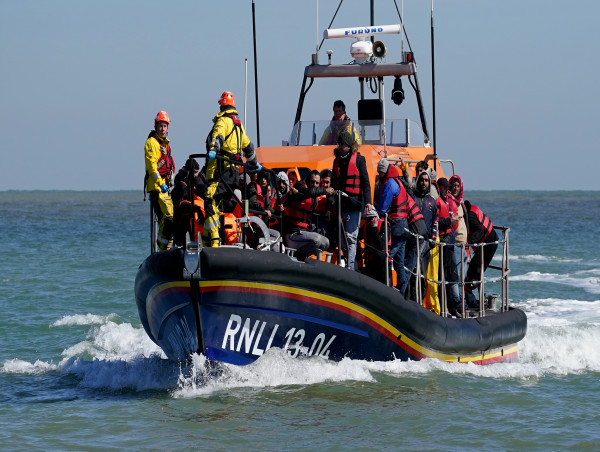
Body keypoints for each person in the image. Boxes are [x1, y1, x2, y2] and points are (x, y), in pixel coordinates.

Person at [204, 91, 260, 247]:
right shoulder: (238, 125)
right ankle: (210, 239)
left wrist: (213, 150)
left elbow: (218, 137)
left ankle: (214, 241)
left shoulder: (222, 121)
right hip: (234, 173)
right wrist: (255, 163)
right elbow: (248, 147)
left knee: (209, 198)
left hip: (222, 172)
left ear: (222, 105)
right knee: (216, 203)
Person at [332, 131, 373, 270]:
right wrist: (330, 206)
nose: (341, 147)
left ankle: (350, 268)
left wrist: (368, 202)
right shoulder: (336, 161)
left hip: (355, 205)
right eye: (340, 144)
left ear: (349, 146)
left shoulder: (359, 160)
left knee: (351, 238)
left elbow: (366, 183)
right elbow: (333, 183)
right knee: (342, 238)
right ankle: (346, 263)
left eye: (343, 144)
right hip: (340, 205)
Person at [375, 158, 409, 290]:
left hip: (396, 226)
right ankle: (402, 293)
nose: (379, 176)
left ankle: (384, 288)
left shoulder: (389, 184)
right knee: (400, 263)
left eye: (380, 173)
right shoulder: (399, 181)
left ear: (384, 172)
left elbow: (382, 208)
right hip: (404, 226)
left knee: (386, 257)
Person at [144, 110, 176, 251]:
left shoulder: (165, 144)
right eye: (160, 126)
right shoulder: (152, 143)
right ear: (156, 126)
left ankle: (167, 248)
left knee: (170, 219)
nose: (163, 129)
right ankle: (162, 248)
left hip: (165, 187)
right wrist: (161, 184)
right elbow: (152, 167)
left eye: (165, 126)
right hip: (157, 188)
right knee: (167, 219)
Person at [283, 170, 334, 256]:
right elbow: (309, 192)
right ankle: (299, 256)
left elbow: (327, 200)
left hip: (303, 233)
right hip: (293, 234)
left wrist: (328, 211)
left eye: (317, 183)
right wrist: (325, 190)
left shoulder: (314, 198)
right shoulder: (300, 187)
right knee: (316, 239)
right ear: (308, 180)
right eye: (312, 181)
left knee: (326, 242)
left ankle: (304, 258)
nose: (314, 184)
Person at [464, 200, 498, 306]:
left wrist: (469, 243)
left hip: (488, 245)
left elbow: (480, 231)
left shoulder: (470, 217)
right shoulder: (470, 212)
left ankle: (473, 301)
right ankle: (479, 298)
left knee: (474, 273)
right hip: (485, 244)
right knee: (476, 271)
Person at [437, 178, 461, 317]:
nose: (448, 190)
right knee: (445, 276)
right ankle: (448, 307)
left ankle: (453, 307)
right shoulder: (438, 202)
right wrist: (449, 221)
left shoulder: (446, 201)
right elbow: (436, 222)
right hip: (443, 243)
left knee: (452, 276)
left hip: (449, 243)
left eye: (448, 187)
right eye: (445, 187)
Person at [171, 158, 206, 246]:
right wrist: (196, 209)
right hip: (182, 227)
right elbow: (181, 206)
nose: (196, 175)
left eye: (197, 172)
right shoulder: (181, 186)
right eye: (194, 172)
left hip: (193, 225)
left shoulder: (194, 183)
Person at [448, 175, 469, 287]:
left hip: (463, 245)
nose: (455, 188)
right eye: (453, 186)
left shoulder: (460, 203)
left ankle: (461, 299)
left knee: (462, 277)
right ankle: (458, 302)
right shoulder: (449, 202)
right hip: (455, 244)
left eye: (457, 186)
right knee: (456, 277)